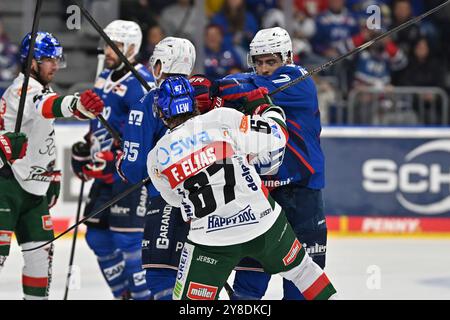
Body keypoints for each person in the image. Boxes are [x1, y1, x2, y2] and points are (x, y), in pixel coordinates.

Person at [147, 75, 337, 300]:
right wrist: (263, 105)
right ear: (193, 102)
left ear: (162, 113)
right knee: (304, 270)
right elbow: (276, 137)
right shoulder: (221, 118)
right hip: (263, 223)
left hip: (210, 240)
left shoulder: (157, 157)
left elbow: (175, 200)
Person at [205, 26, 328, 300]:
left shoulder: (298, 80)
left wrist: (212, 87)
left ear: (287, 58)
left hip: (301, 191)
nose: (263, 68)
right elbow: (242, 87)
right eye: (258, 62)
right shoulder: (252, 80)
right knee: (249, 283)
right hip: (262, 194)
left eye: (270, 61)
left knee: (302, 284)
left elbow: (250, 90)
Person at [0, 31, 104, 300]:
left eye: (57, 59)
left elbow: (44, 134)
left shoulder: (42, 89)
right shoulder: (21, 91)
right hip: (6, 185)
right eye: (48, 59)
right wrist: (77, 103)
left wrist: (53, 174)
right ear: (31, 62)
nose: (55, 65)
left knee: (40, 262)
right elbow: (48, 107)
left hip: (34, 191)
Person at [71, 20, 153, 300]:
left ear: (131, 48)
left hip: (126, 176)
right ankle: (123, 294)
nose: (108, 50)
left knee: (128, 242)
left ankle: (143, 296)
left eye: (115, 45)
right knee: (96, 237)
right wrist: (85, 148)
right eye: (107, 43)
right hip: (103, 175)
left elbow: (145, 131)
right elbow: (98, 120)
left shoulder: (141, 82)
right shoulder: (104, 75)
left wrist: (119, 155)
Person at [119, 37, 195, 300]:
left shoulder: (147, 103)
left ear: (161, 65)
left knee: (161, 275)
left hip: (166, 200)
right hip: (210, 201)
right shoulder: (205, 97)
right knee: (199, 279)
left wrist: (122, 163)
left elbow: (134, 169)